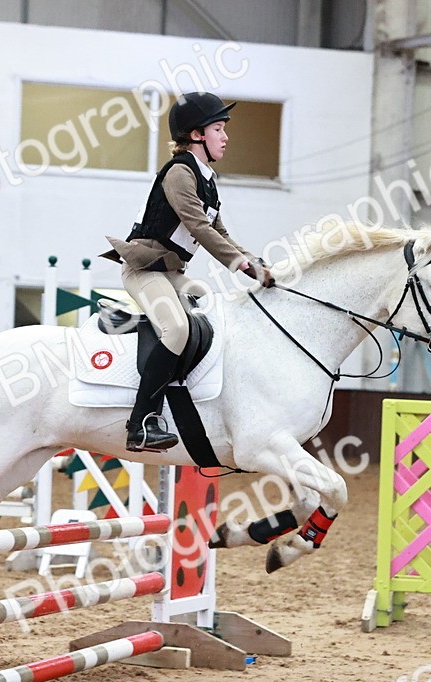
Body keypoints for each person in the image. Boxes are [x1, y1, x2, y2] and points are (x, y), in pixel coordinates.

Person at [103, 91, 274, 453]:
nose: (226, 136)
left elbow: (221, 231)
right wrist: (242, 265)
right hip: (144, 269)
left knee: (211, 305)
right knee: (176, 327)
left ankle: (185, 396)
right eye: (218, 128)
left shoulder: (206, 179)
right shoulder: (180, 172)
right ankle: (141, 423)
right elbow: (199, 227)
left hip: (171, 272)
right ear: (196, 134)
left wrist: (254, 263)